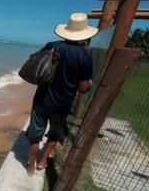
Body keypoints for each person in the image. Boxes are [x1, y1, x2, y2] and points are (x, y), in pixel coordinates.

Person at [26, 13, 98, 177]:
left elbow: (37, 64)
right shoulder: (85, 54)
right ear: (84, 33)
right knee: (54, 134)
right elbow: (82, 88)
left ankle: (30, 166)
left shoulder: (52, 45)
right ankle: (42, 162)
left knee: (34, 137)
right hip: (61, 105)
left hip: (40, 101)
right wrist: (90, 83)